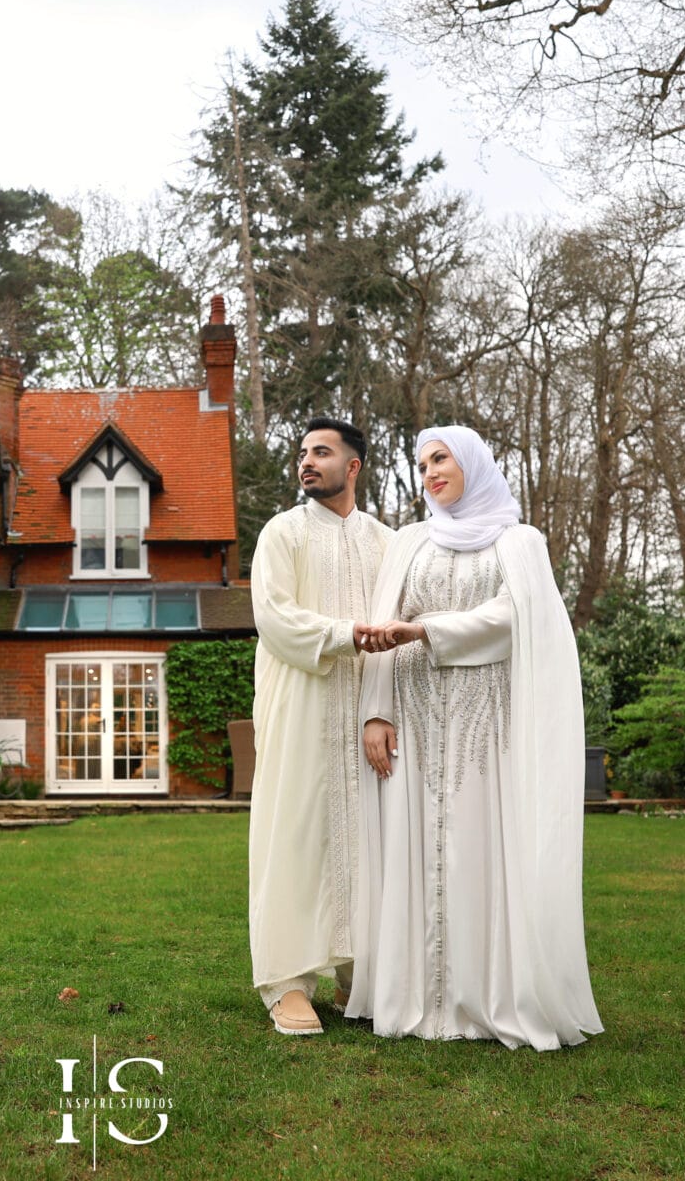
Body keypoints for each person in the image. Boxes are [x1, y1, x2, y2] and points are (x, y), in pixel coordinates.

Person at [345, 425, 602, 1050]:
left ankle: (483, 1000)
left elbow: (517, 618)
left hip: (486, 723)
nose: (430, 471)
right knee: (414, 844)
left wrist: (426, 631)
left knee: (481, 845)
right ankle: (414, 999)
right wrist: (375, 712)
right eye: (422, 462)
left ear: (474, 465)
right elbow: (385, 622)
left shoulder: (520, 542)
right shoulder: (410, 542)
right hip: (413, 716)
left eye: (442, 459)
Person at [247, 417, 394, 1036]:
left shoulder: (388, 543)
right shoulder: (282, 533)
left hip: (365, 711)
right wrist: (344, 635)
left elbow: (397, 623)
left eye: (322, 452)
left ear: (353, 466)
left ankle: (360, 972)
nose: (307, 461)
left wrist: (382, 708)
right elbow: (274, 617)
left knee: (371, 835)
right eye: (303, 452)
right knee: (297, 831)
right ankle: (286, 983)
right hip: (299, 704)